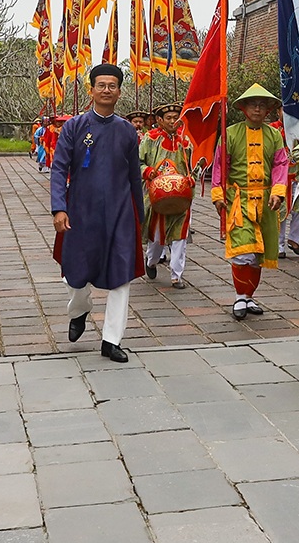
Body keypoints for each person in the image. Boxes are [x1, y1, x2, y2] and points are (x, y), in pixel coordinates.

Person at [51, 63, 144, 362]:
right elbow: (58, 168)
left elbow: (134, 177)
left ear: (119, 91)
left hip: (119, 212)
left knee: (121, 277)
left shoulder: (127, 130)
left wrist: (140, 218)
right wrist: (59, 208)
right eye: (101, 85)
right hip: (80, 211)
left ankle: (111, 340)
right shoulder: (74, 127)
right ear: (91, 90)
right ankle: (80, 310)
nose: (106, 90)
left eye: (112, 85)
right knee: (74, 277)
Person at [211, 84, 289, 319]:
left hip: (266, 202)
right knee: (242, 252)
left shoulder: (274, 135)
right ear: (244, 108)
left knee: (258, 256)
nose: (257, 108)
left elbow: (281, 164)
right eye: (253, 104)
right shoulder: (231, 133)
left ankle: (248, 296)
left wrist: (278, 191)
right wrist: (218, 195)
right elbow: (219, 166)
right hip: (238, 201)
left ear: (268, 110)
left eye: (262, 105)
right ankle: (239, 297)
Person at [142, 103, 194, 288]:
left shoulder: (185, 140)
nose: (173, 121)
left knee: (180, 235)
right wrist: (147, 171)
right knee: (156, 236)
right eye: (168, 118)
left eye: (175, 118)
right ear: (159, 120)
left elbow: (192, 165)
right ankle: (151, 261)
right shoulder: (150, 138)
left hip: (181, 194)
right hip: (157, 194)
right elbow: (137, 161)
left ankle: (176, 275)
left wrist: (192, 177)